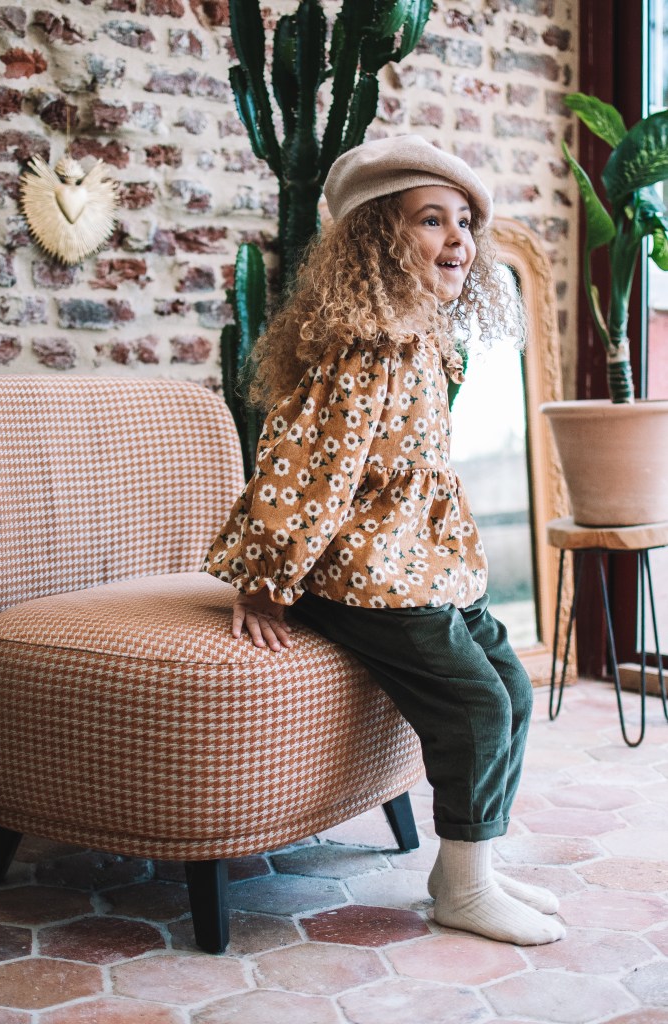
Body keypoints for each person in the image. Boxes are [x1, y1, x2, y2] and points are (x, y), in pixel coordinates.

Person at [203, 134, 565, 946]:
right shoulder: (364, 347)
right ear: (376, 239)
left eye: (463, 222)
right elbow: (304, 472)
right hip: (358, 570)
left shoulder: (421, 335)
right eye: (430, 220)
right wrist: (266, 581)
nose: (457, 238)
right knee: (476, 705)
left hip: (414, 561)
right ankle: (463, 891)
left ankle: (469, 865)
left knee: (510, 684)